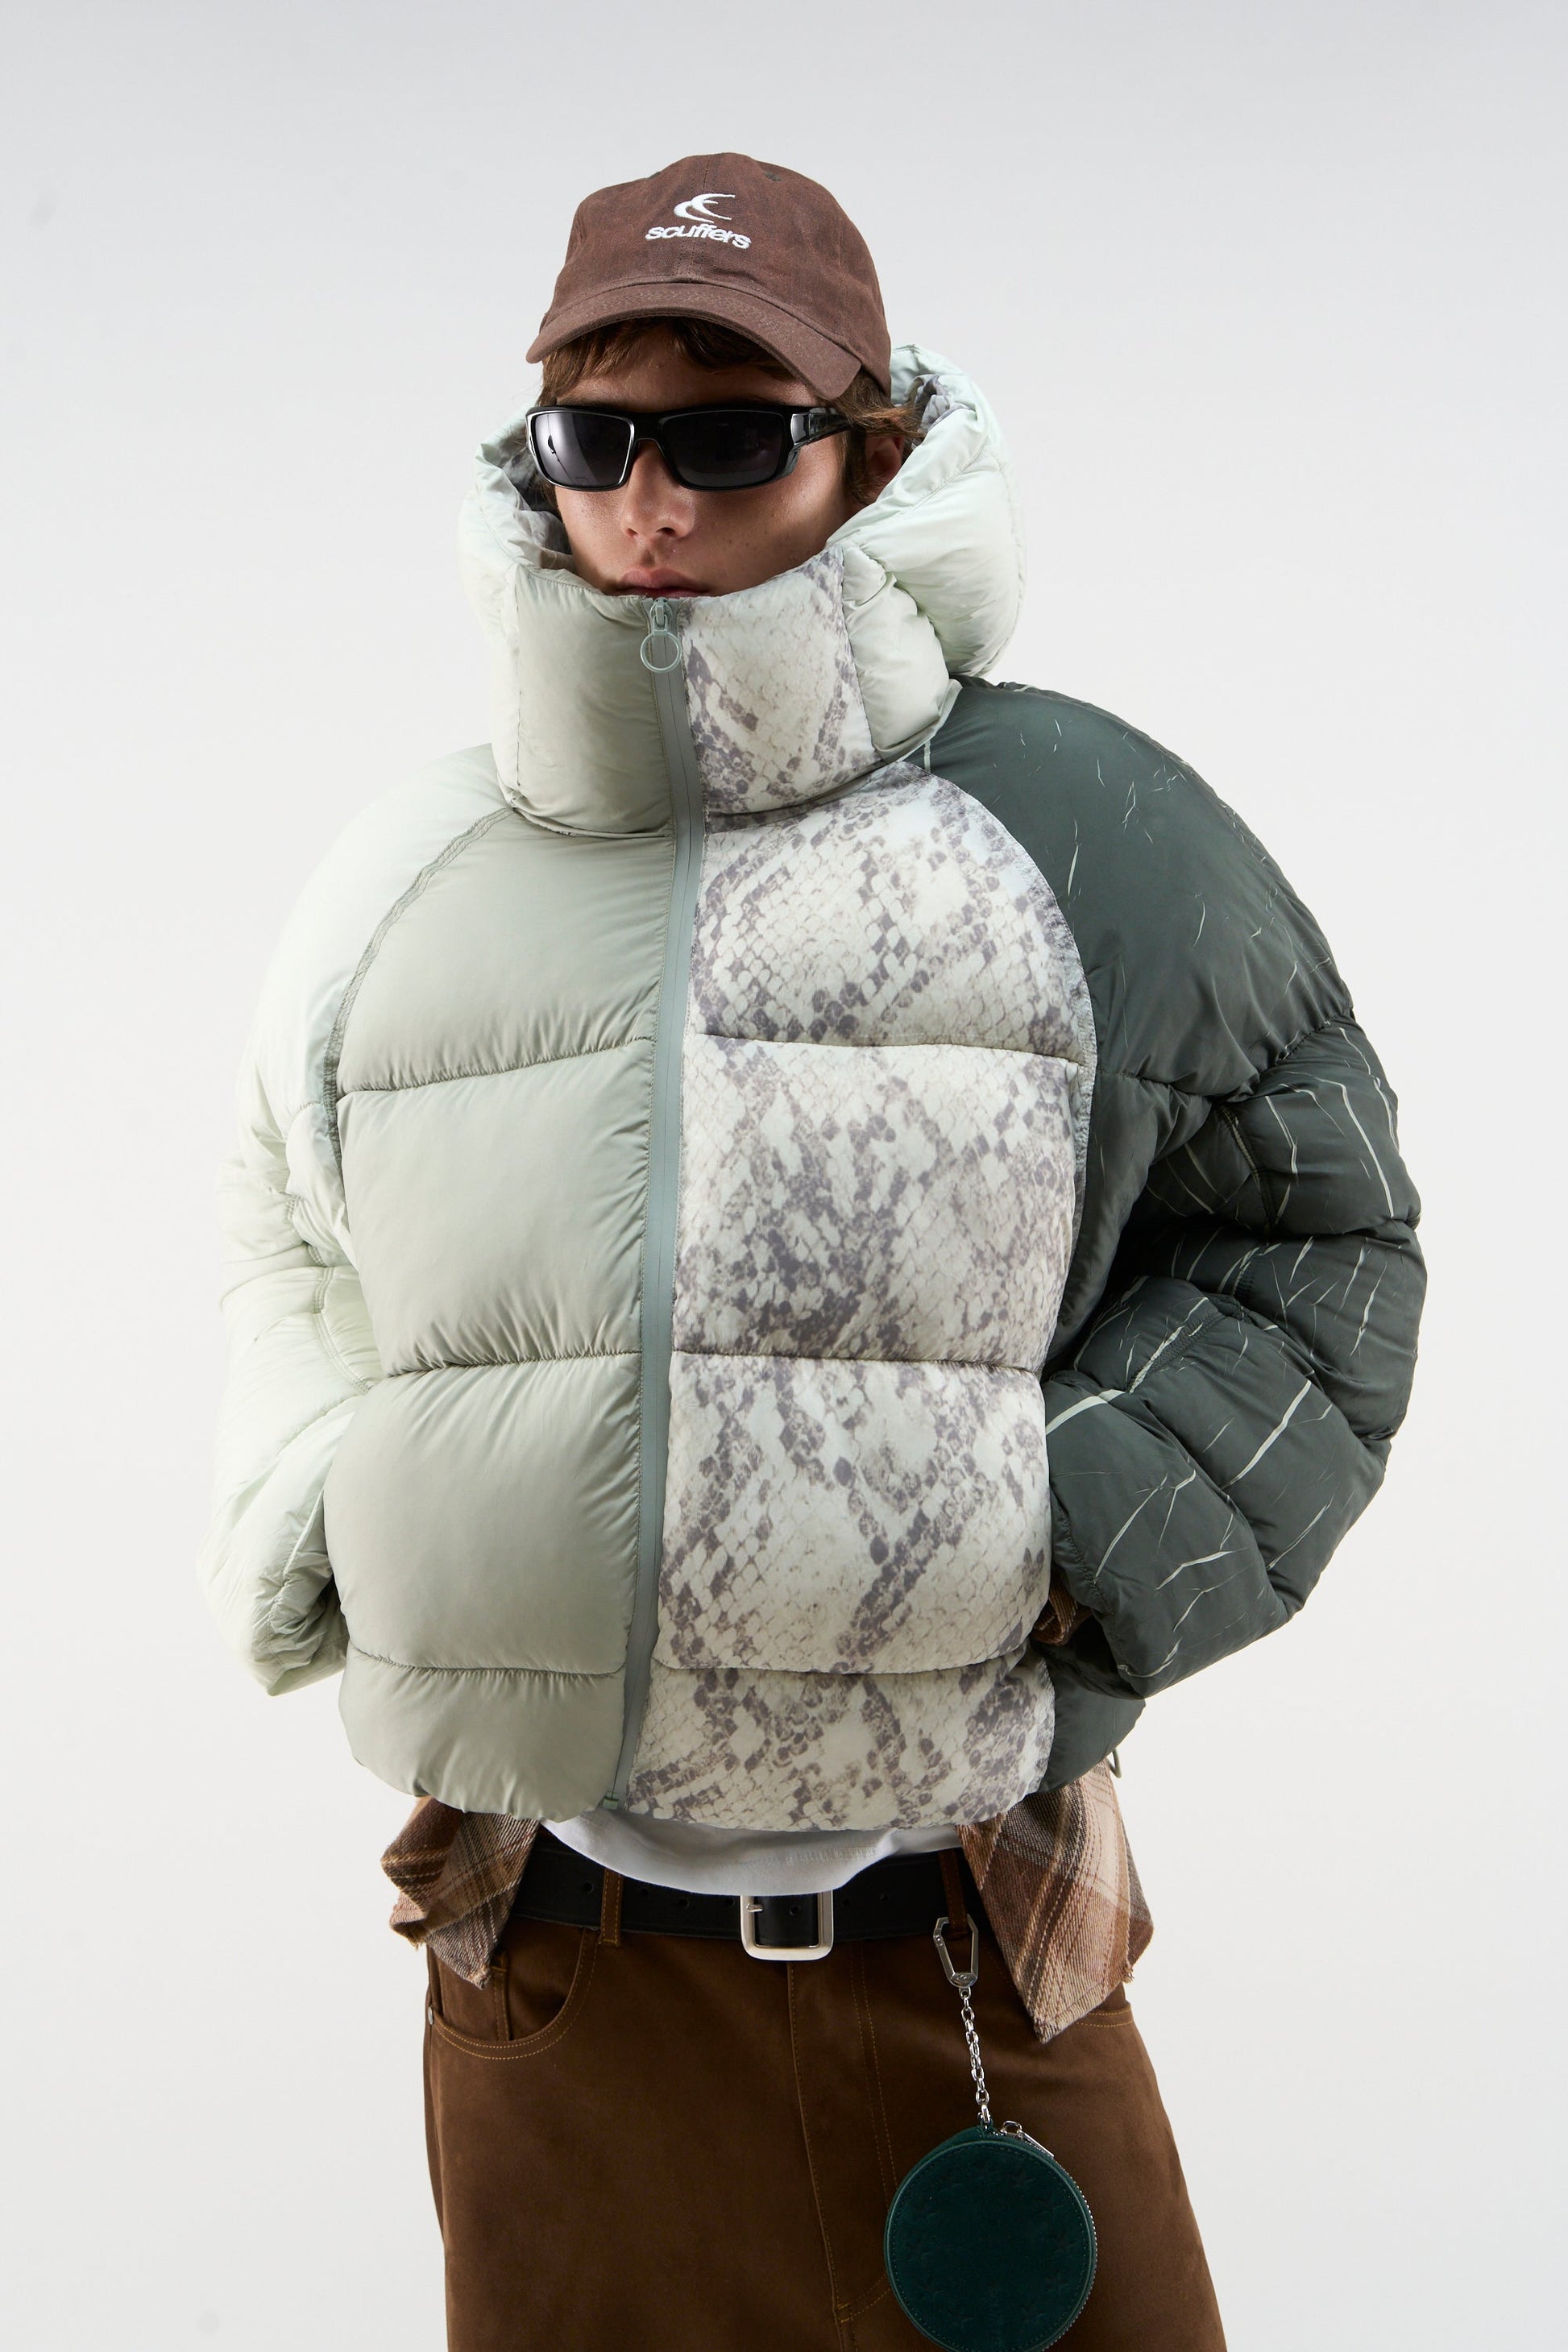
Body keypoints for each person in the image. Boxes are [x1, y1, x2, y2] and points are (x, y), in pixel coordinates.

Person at [199, 153, 1425, 2350]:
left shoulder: (1085, 832)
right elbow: (290, 1232)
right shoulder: (413, 871)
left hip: (968, 1959)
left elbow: (1318, 1240)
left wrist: (1072, 1524)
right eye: (597, 438)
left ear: (864, 448)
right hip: (551, 1978)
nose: (651, 501)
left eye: (731, 435)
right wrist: (325, 1510)